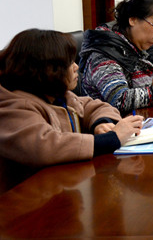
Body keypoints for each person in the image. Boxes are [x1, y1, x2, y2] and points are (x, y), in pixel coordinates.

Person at [0, 29, 144, 191]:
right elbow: (46, 146)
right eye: (69, 63)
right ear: (46, 69)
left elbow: (94, 106)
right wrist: (111, 139)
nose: (76, 67)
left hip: (59, 190)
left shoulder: (58, 96)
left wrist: (101, 123)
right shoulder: (14, 108)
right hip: (24, 200)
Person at [80, 0, 153, 115]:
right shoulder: (105, 52)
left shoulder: (132, 47)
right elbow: (120, 99)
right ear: (133, 20)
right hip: (111, 123)